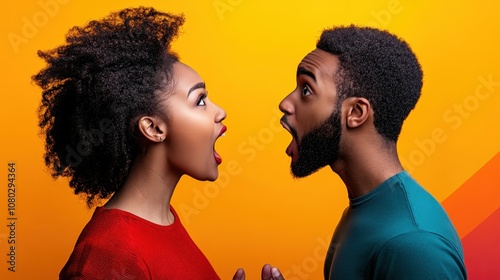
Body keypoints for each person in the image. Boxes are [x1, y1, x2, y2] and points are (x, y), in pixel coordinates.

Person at [33, 7, 230, 279]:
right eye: (200, 101)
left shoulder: (164, 222)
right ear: (153, 128)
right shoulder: (109, 253)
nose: (219, 112)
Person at [274, 25, 467, 279]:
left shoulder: (415, 245)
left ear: (356, 113)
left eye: (307, 89)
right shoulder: (362, 210)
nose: (285, 103)